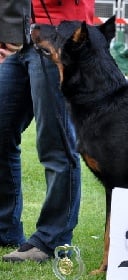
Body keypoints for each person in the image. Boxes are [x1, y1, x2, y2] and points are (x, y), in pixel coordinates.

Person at [0, 0, 94, 262]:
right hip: (18, 35)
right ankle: (5, 229)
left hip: (59, 33)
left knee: (56, 140)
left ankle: (52, 239)